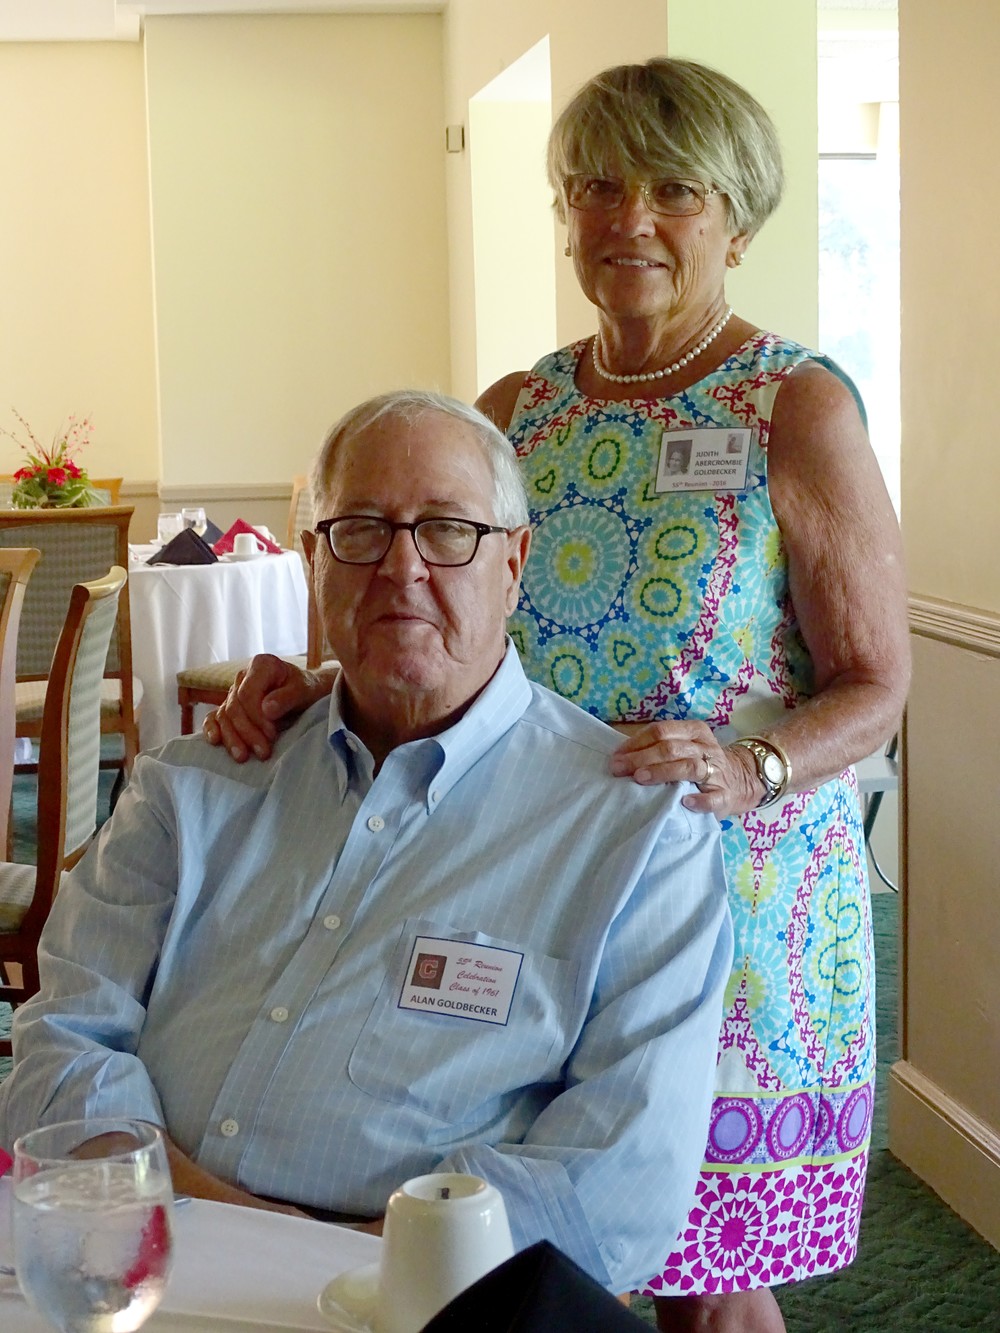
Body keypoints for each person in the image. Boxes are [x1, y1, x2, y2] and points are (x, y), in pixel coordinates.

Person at [207, 59, 910, 1332]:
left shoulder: (792, 404)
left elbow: (877, 683)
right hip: (529, 883)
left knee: (706, 1279)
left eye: (673, 190)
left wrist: (747, 769)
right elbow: (451, 621)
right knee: (510, 1243)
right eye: (595, 187)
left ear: (737, 219)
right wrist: (307, 686)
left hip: (729, 888)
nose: (627, 219)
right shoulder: (516, 409)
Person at [0, 390, 733, 1299]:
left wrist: (323, 1263)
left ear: (514, 563)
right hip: (136, 1262)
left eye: (447, 529)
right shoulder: (195, 784)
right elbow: (61, 1039)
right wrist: (221, 1225)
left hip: (436, 1302)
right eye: (362, 530)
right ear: (315, 561)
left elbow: (618, 1184)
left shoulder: (636, 831)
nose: (401, 566)